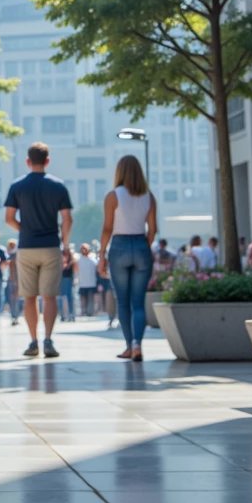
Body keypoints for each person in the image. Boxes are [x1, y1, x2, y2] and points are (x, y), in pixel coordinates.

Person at [4, 142, 72, 359]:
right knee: (50, 297)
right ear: (47, 161)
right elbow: (67, 219)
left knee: (29, 297)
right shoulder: (58, 186)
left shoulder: (17, 186)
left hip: (27, 247)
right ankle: (48, 340)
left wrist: (24, 229)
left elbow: (9, 218)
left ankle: (33, 342)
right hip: (51, 246)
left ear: (28, 161)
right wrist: (65, 245)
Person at [100, 155, 157, 363]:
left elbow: (107, 228)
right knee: (138, 302)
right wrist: (144, 246)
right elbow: (153, 229)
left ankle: (128, 346)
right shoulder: (149, 196)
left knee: (123, 302)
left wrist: (102, 255)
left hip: (119, 247)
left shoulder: (113, 196)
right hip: (141, 244)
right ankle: (137, 345)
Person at [76, 243, 99, 315]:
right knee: (83, 299)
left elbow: (97, 268)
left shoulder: (93, 259)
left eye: (85, 249)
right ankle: (83, 311)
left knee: (91, 299)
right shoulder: (79, 260)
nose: (84, 251)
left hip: (91, 283)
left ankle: (90, 312)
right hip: (82, 283)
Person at [58, 247, 76, 322]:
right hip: (62, 279)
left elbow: (75, 269)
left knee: (70, 297)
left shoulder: (72, 260)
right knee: (62, 297)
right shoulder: (60, 259)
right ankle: (63, 314)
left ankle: (71, 314)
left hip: (69, 279)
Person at [5, 239, 20, 323]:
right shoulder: (15, 255)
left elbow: (11, 268)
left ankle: (14, 316)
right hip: (16, 279)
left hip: (13, 279)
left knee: (14, 299)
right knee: (15, 299)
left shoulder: (12, 255)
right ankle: (15, 316)